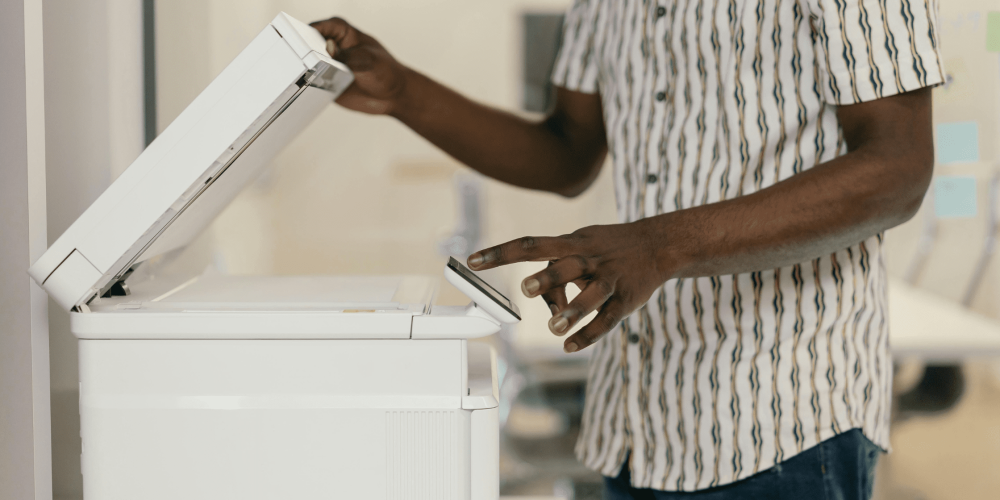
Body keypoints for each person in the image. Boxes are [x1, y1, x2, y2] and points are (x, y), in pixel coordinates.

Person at [312, 0, 943, 497]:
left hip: (784, 418)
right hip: (636, 418)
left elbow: (897, 169)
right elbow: (567, 151)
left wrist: (658, 245)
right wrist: (403, 93)